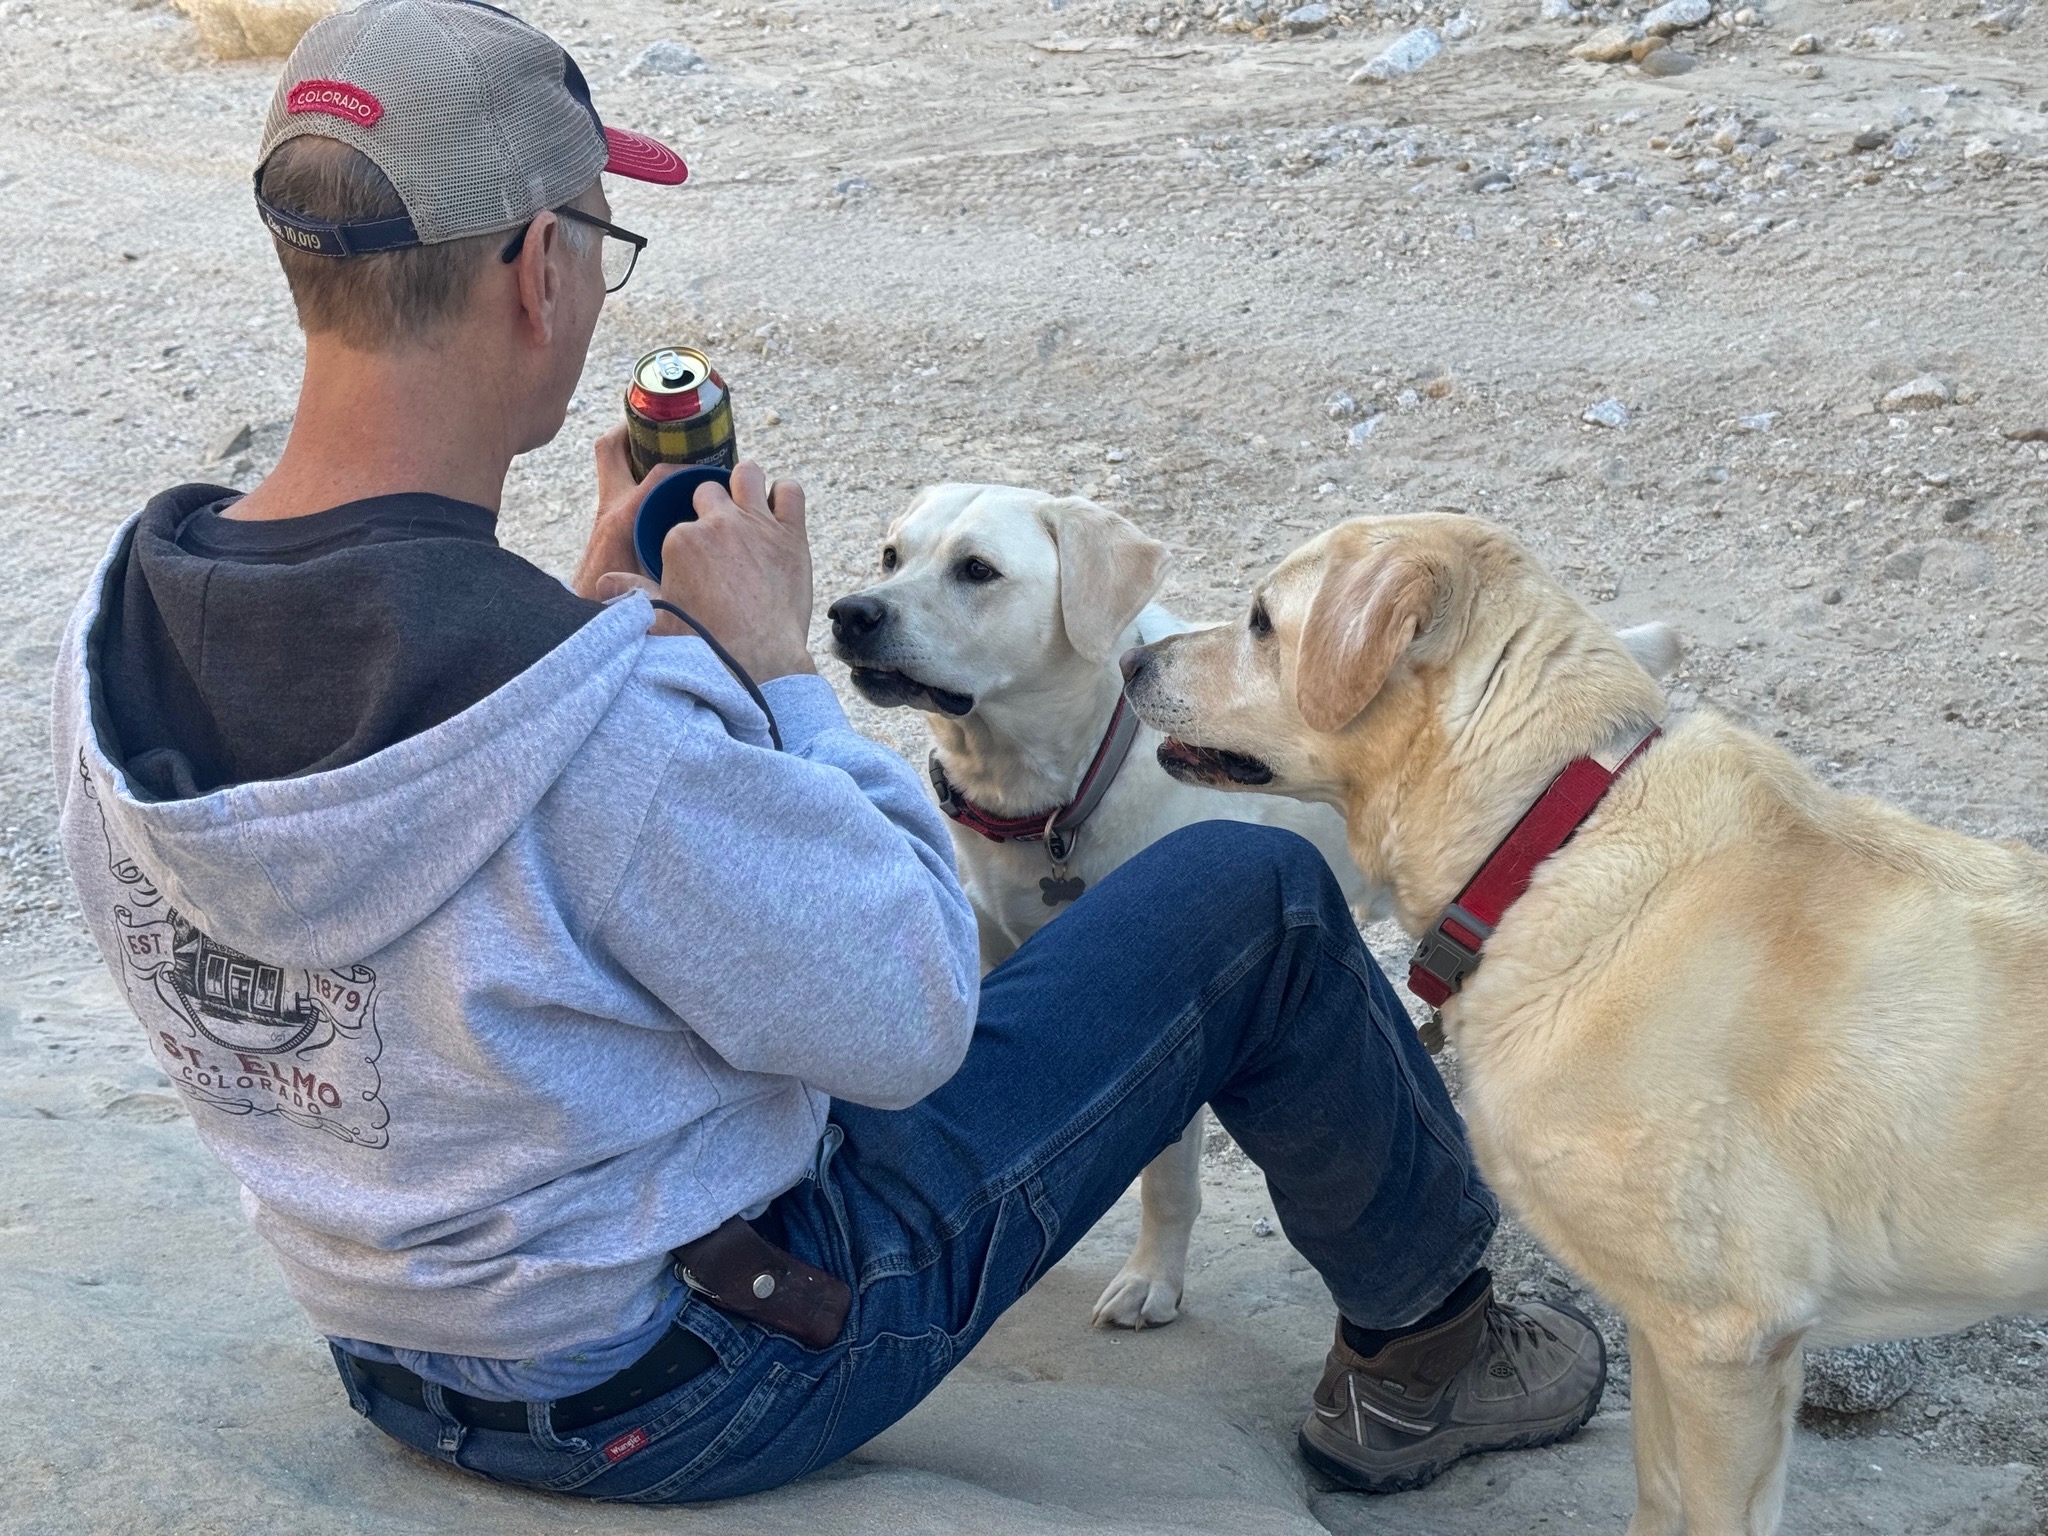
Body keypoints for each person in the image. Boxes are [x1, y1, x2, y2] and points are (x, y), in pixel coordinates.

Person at [53, 0, 1605, 1503]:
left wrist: (592, 617)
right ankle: (1435, 1353)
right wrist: (777, 676)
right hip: (692, 1382)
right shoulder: (602, 724)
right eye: (597, 237)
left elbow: (480, 891)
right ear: (538, 270)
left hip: (393, 1352)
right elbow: (912, 1015)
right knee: (1249, 896)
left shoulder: (116, 626)